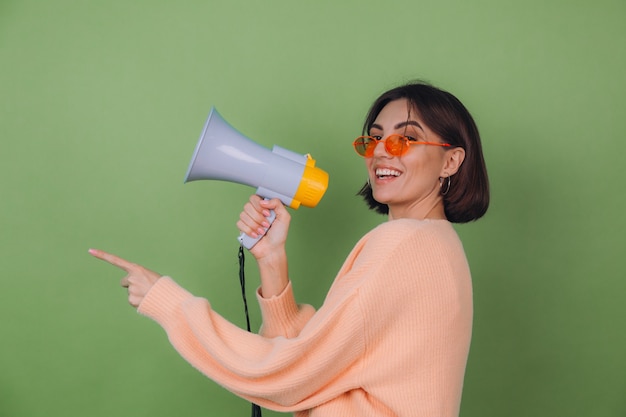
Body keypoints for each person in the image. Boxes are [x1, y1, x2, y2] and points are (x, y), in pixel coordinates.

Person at [89, 81, 489, 417]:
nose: (382, 150)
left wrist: (167, 301)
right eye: (376, 137)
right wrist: (271, 260)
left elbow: (286, 377)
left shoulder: (403, 243)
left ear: (451, 161)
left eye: (406, 138)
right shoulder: (436, 243)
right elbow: (319, 363)